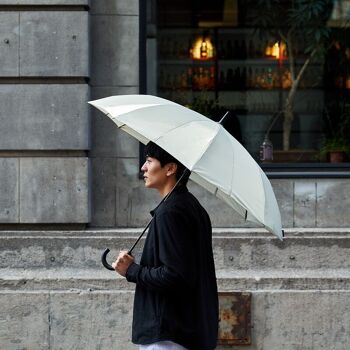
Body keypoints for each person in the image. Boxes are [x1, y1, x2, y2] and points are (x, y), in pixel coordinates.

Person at [112, 141, 218, 350]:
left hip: (168, 335)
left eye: (150, 161)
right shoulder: (191, 207)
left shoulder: (170, 212)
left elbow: (175, 275)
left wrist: (131, 271)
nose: (143, 167)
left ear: (170, 168)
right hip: (184, 330)